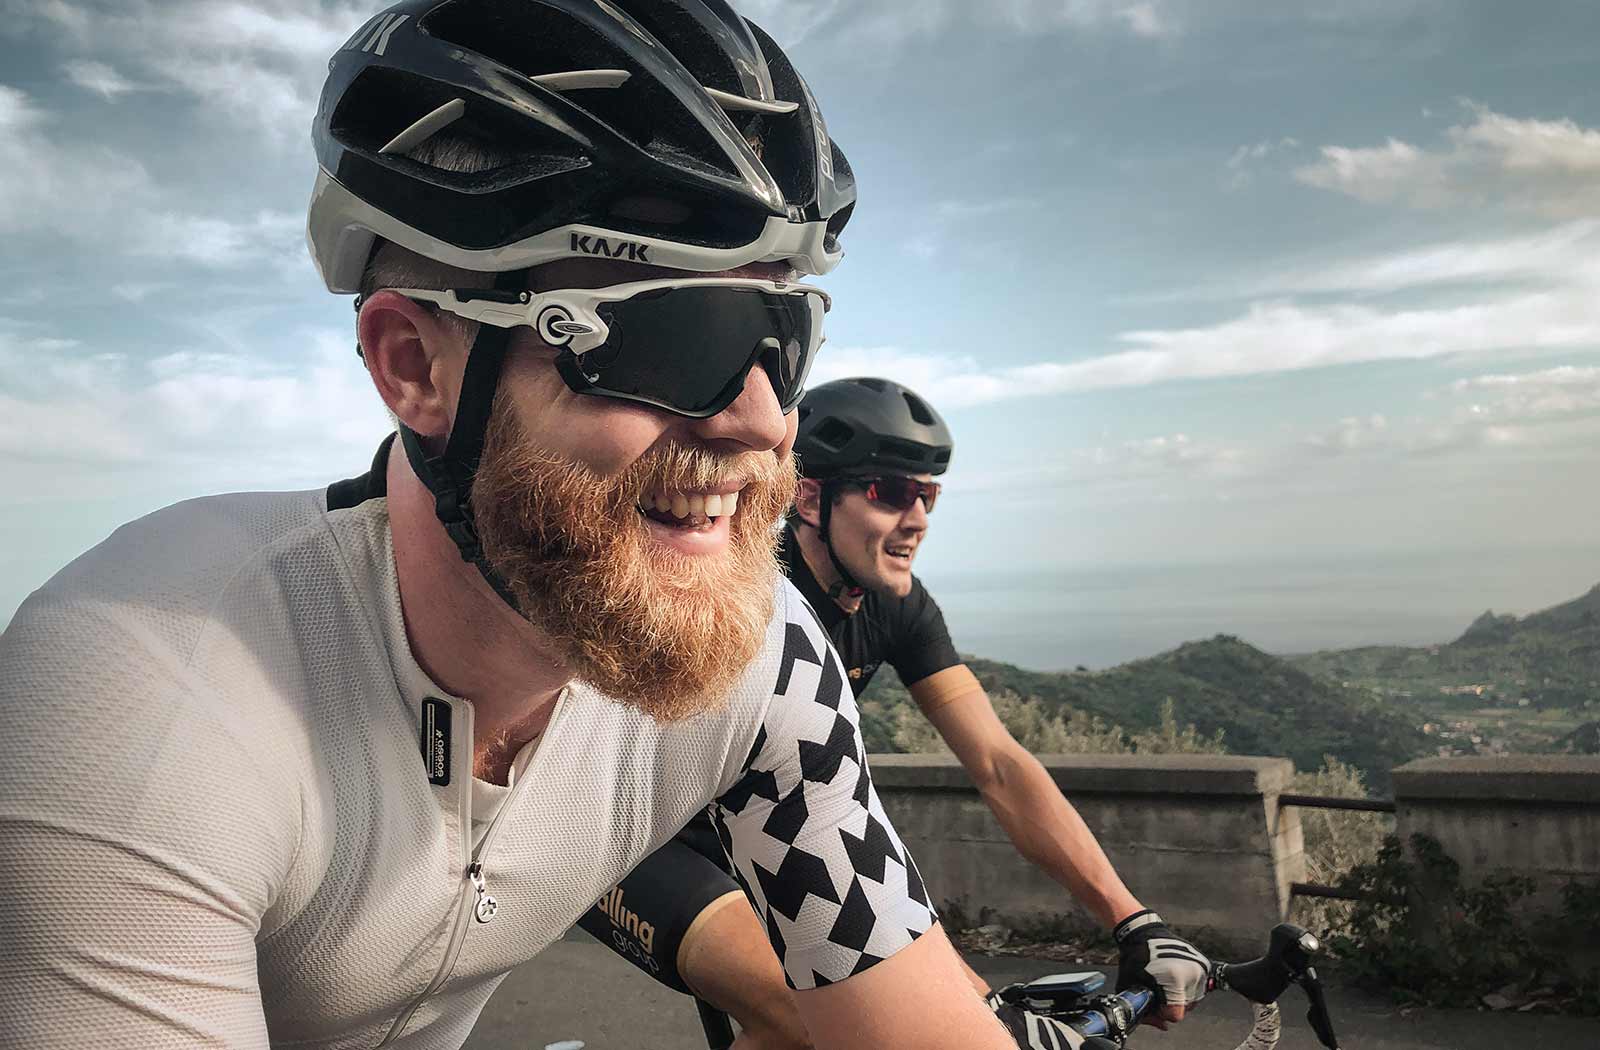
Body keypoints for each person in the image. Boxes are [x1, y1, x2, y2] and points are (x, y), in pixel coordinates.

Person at [0, 4, 1020, 1048]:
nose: (763, 421)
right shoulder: (142, 682)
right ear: (415, 366)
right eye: (671, 337)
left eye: (783, 337)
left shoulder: (760, 658)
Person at [581, 378, 1211, 1050]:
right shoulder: (750, 587)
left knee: (926, 1020)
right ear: (810, 497)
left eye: (928, 494)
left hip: (767, 837)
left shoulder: (898, 606)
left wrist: (1132, 919)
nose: (918, 518)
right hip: (641, 839)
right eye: (890, 492)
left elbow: (998, 764)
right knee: (802, 1019)